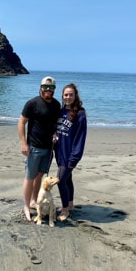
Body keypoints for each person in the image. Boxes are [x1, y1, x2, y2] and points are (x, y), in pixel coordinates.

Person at [18, 76, 61, 221]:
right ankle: (26, 205)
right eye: (45, 87)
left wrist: (55, 134)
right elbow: (21, 123)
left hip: (48, 149)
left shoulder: (56, 105)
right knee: (29, 177)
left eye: (51, 87)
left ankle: (33, 201)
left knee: (39, 177)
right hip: (34, 148)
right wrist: (24, 143)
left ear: (54, 89)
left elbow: (55, 124)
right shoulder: (32, 103)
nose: (48, 90)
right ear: (41, 87)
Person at [54, 83, 87, 222]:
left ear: (75, 96)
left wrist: (74, 159)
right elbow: (58, 129)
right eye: (66, 95)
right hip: (59, 153)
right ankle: (71, 204)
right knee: (68, 179)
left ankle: (65, 209)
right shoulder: (61, 112)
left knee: (60, 181)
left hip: (70, 156)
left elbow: (80, 138)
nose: (68, 97)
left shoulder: (80, 115)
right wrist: (54, 135)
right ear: (62, 96)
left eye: (71, 95)